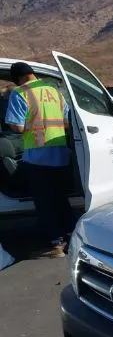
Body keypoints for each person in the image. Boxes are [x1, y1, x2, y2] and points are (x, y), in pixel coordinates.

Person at [4, 62, 74, 259]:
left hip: (37, 157)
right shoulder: (55, 91)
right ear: (32, 73)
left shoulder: (20, 93)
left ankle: (57, 244)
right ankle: (70, 236)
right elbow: (67, 123)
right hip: (60, 154)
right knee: (60, 199)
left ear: (17, 78)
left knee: (44, 203)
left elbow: (17, 127)